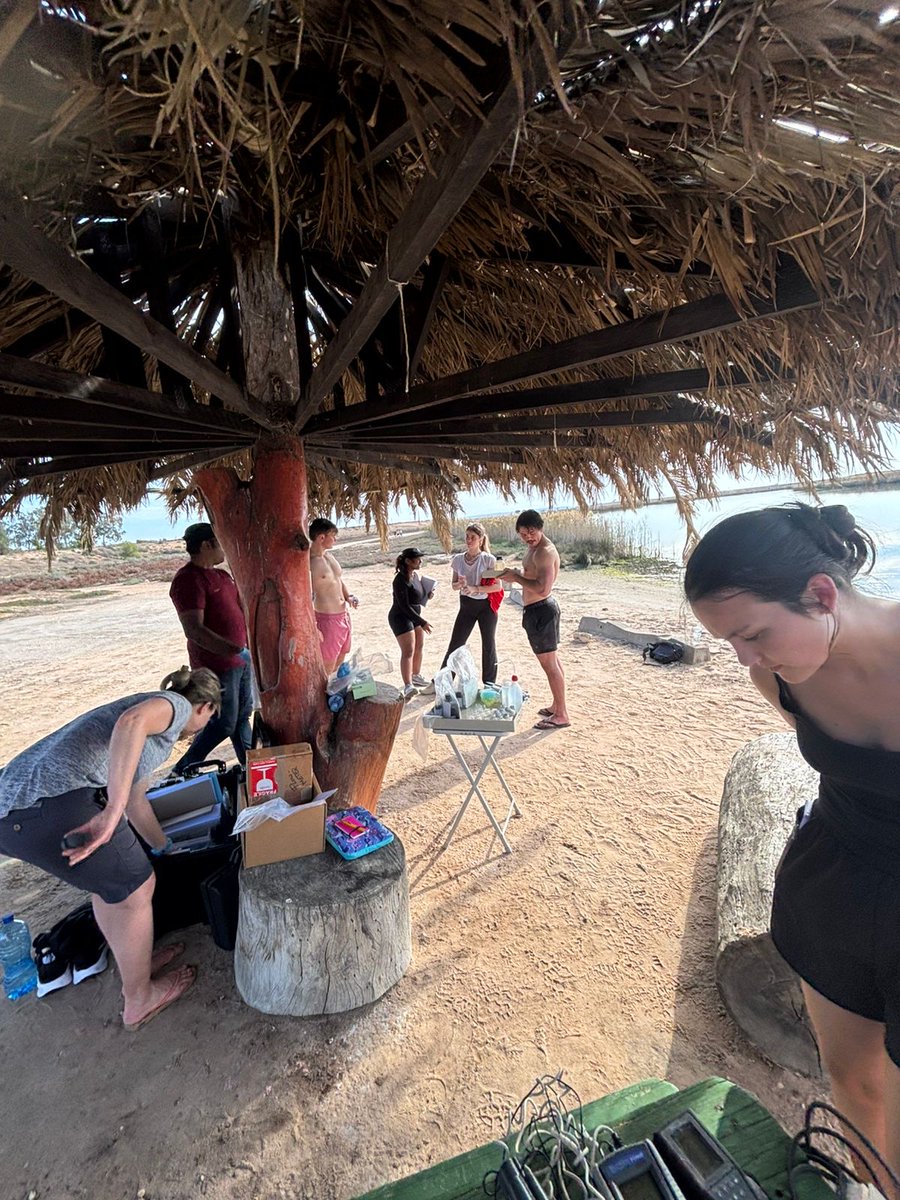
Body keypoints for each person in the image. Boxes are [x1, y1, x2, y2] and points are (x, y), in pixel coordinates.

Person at [684, 503, 900, 1177]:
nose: (744, 658)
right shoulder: (774, 675)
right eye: (729, 642)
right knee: (852, 1084)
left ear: (821, 594)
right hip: (833, 886)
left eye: (752, 633)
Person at [0, 667, 221, 1030]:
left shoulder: (151, 739)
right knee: (136, 885)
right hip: (45, 803)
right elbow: (131, 724)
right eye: (210, 716)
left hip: (17, 809)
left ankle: (137, 964)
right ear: (205, 707)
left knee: (112, 887)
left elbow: (136, 800)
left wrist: (164, 846)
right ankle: (139, 998)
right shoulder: (175, 706)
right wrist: (111, 811)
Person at [169, 521, 252, 771]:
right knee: (222, 722)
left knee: (240, 718)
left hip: (240, 661)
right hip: (216, 665)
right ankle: (183, 767)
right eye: (221, 543)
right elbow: (194, 630)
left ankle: (252, 767)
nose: (224, 550)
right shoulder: (188, 580)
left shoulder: (221, 575)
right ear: (207, 545)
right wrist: (233, 649)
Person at [497, 510, 570, 730]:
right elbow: (531, 575)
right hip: (536, 611)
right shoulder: (534, 549)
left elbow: (544, 587)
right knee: (553, 663)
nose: (528, 537)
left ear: (540, 527)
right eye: (523, 534)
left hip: (542, 610)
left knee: (550, 665)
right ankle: (557, 706)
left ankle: (562, 715)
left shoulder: (545, 551)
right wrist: (515, 572)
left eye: (531, 532)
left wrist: (516, 578)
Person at [439, 522, 503, 687]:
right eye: (467, 537)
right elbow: (453, 585)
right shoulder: (458, 559)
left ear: (481, 539)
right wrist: (459, 585)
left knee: (488, 645)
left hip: (486, 608)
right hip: (466, 606)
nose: (468, 540)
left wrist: (476, 588)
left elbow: (497, 586)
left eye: (472, 537)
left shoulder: (489, 560)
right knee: (455, 644)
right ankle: (442, 681)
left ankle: (489, 684)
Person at [309, 517, 359, 674]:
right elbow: (305, 598)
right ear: (321, 537)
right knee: (326, 665)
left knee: (341, 657)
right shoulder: (308, 562)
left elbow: (338, 580)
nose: (335, 539)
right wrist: (313, 627)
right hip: (327, 620)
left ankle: (333, 694)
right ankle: (323, 697)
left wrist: (348, 596)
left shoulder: (329, 557)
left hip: (343, 616)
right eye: (333, 535)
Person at [388, 548, 433, 699]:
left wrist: (428, 594)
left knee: (419, 646)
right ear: (408, 561)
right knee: (408, 651)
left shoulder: (415, 575)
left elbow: (416, 596)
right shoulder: (399, 580)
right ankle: (408, 685)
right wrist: (422, 622)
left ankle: (416, 675)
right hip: (400, 617)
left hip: (414, 616)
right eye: (417, 559)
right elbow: (404, 606)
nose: (421, 561)